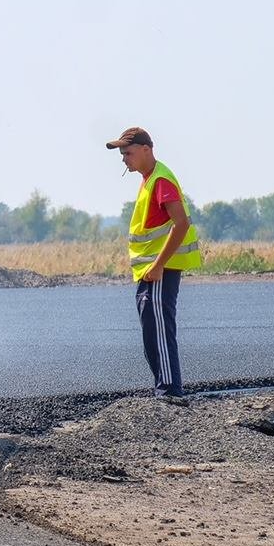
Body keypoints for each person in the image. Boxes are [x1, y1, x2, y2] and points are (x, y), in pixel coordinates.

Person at [106, 126, 202, 405]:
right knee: (151, 329)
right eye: (122, 154)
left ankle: (170, 392)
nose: (124, 158)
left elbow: (181, 223)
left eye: (128, 152)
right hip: (149, 271)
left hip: (161, 270)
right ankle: (164, 389)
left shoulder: (161, 180)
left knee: (159, 328)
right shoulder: (149, 179)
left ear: (146, 149)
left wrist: (159, 264)